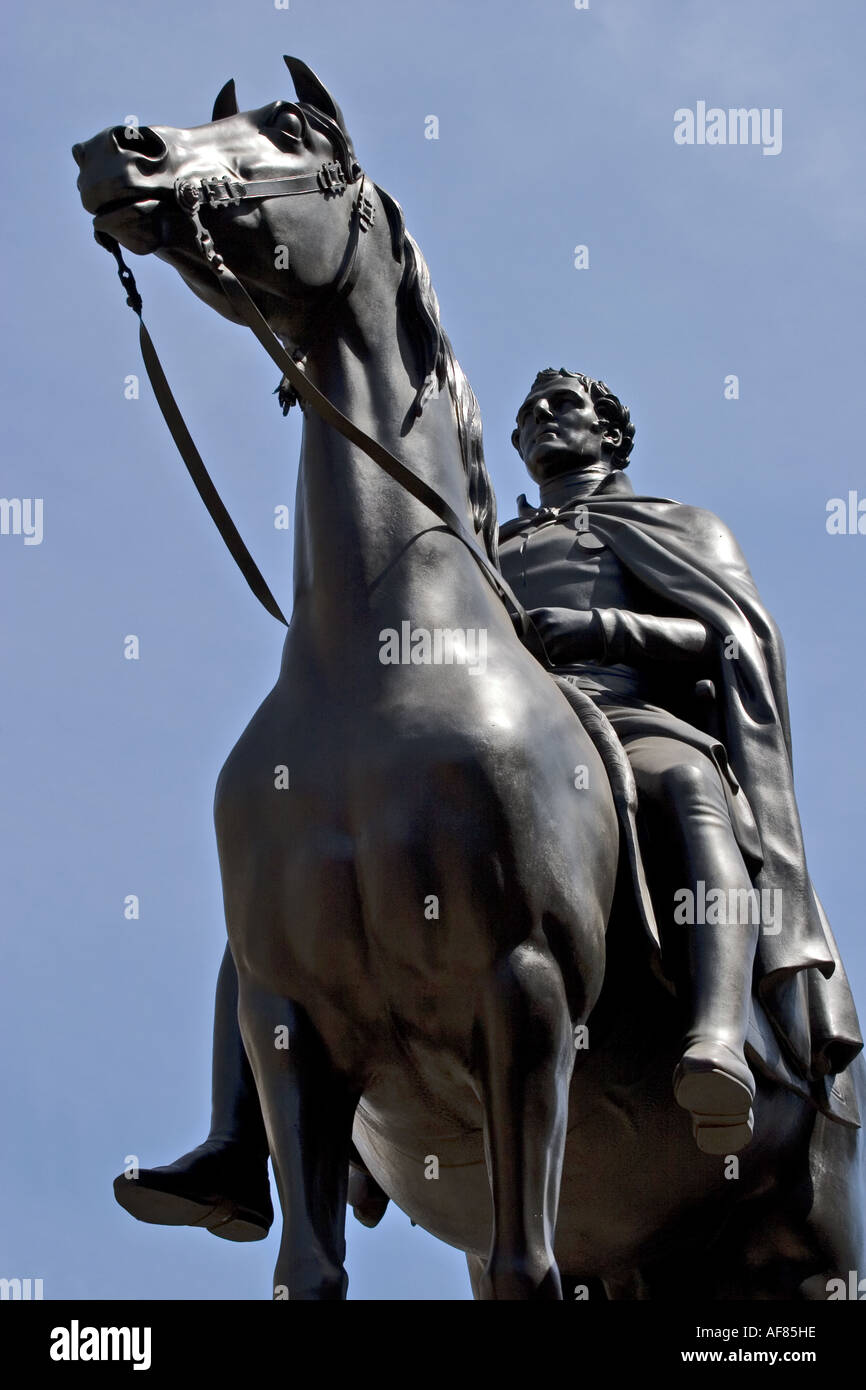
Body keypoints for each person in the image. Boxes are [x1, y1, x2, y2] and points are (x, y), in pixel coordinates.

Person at [114, 368, 862, 1237]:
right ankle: (239, 1145)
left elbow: (731, 636)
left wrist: (604, 632)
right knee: (293, 883)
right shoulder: (487, 546)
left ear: (611, 432)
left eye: (563, 405)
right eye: (527, 414)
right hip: (505, 746)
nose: (542, 419)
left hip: (625, 715)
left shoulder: (678, 527)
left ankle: (716, 1036)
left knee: (688, 785)